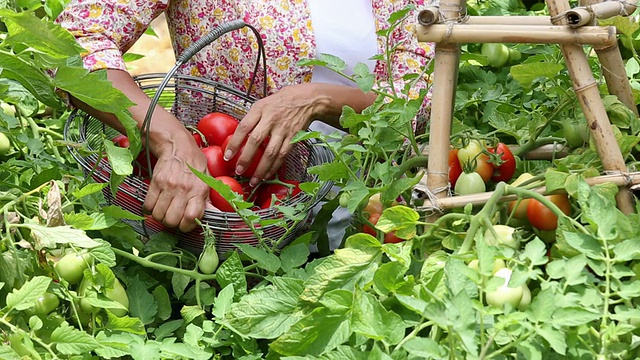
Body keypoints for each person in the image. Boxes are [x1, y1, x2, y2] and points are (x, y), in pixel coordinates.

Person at [55, 0, 435, 244]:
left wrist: (315, 98)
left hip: (367, 227)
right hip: (224, 226)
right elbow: (70, 46)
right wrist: (169, 138)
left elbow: (419, 100)